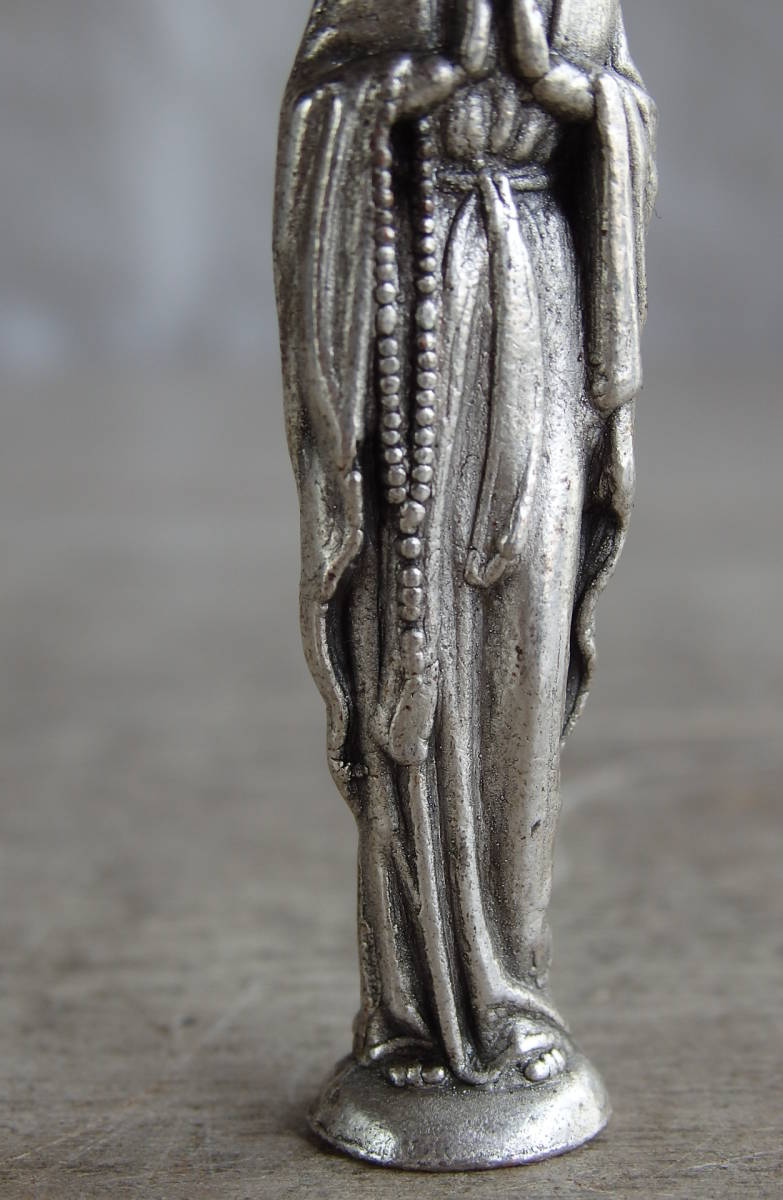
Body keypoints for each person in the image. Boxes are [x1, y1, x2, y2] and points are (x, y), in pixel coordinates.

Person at [274, 0, 656, 1095]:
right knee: (415, 651)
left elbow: (627, 121)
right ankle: (409, 1016)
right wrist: (413, 88)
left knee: (522, 660)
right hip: (414, 309)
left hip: (537, 298)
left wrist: (570, 92)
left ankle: (515, 992)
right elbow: (316, 118)